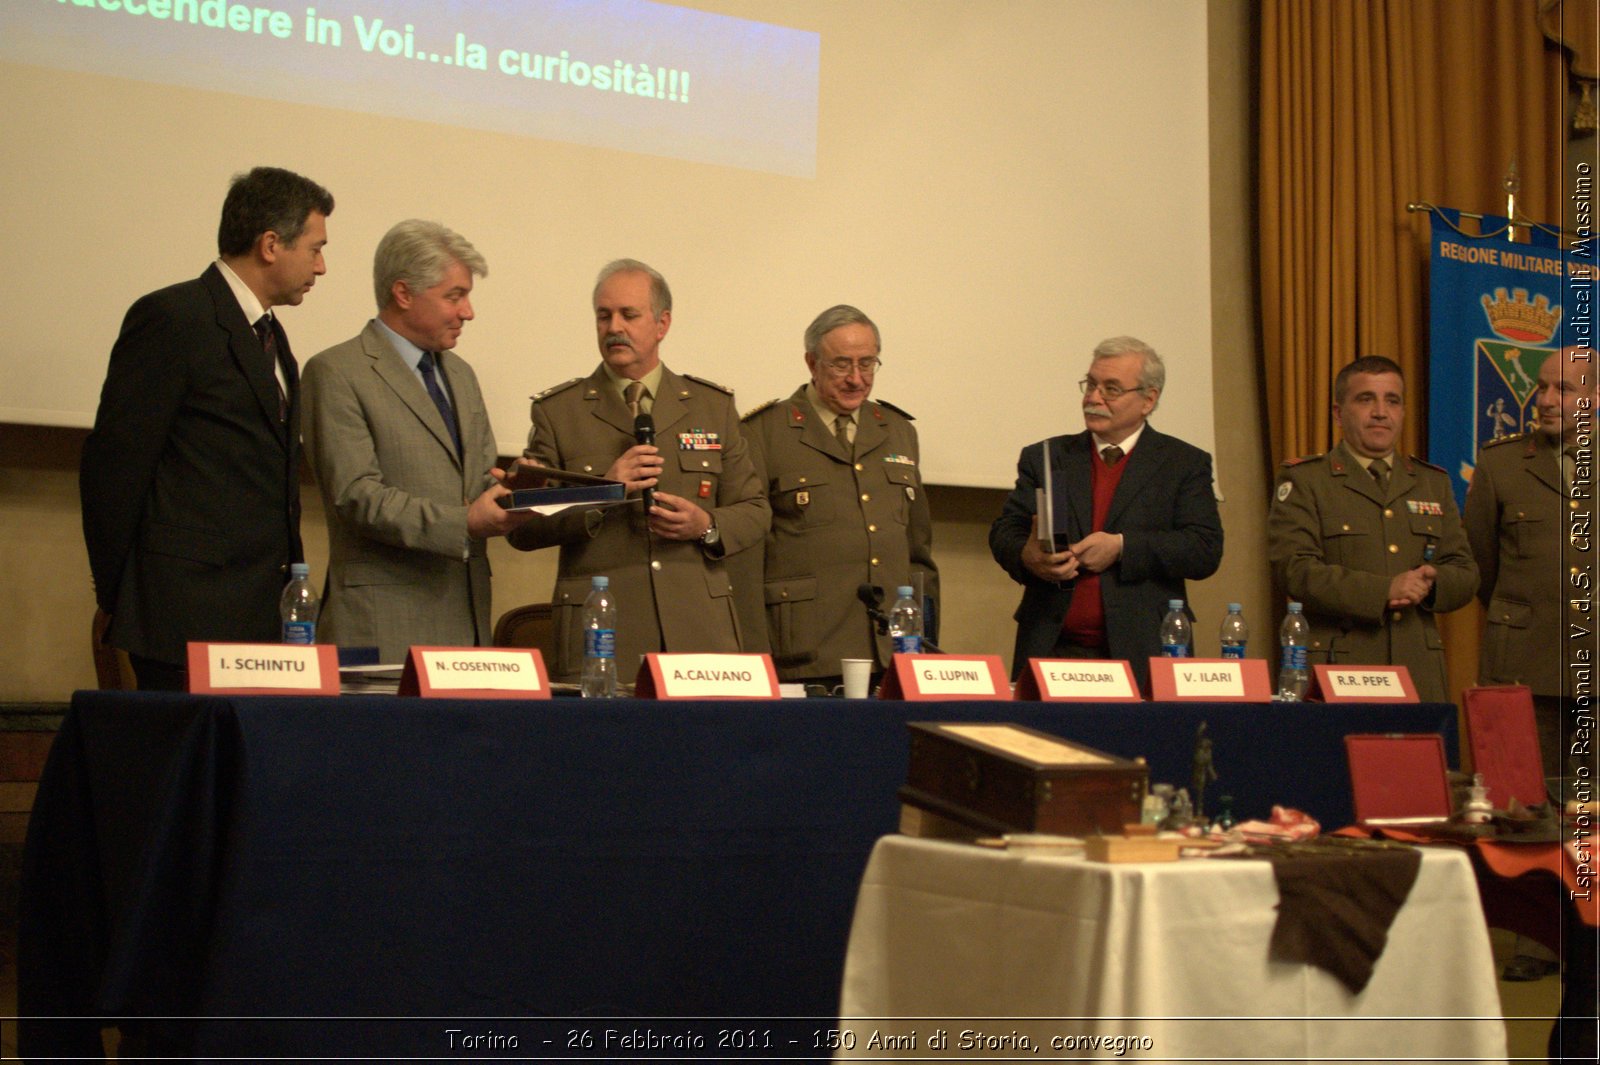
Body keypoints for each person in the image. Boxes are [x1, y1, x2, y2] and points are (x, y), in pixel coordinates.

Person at [80, 166, 334, 691]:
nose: (322, 266)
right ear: (270, 244)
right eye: (314, 248)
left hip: (261, 622)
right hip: (183, 618)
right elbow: (114, 467)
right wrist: (121, 597)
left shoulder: (272, 337)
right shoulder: (174, 317)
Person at [507, 259, 769, 682]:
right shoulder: (559, 412)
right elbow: (523, 528)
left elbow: (756, 510)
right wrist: (605, 490)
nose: (614, 327)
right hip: (604, 633)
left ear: (662, 323)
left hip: (699, 632)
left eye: (628, 315)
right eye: (603, 315)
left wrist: (705, 524)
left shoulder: (710, 406)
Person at [300, 220, 529, 662]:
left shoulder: (461, 375)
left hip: (467, 627)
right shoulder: (336, 372)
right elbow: (356, 496)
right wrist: (464, 522)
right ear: (403, 293)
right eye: (455, 295)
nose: (468, 312)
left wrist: (514, 493)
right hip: (381, 629)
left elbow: (476, 486)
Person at [1464, 346, 1596, 988]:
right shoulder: (1500, 466)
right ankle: (1541, 938)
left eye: (1563, 391)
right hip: (1525, 661)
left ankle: (1592, 923)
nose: (1544, 400)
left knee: (1592, 807)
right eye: (1542, 389)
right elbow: (1480, 568)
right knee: (1530, 804)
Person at [989, 336, 1223, 692]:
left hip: (1142, 652)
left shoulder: (1183, 463)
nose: (1093, 398)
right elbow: (1006, 531)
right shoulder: (1047, 456)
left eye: (1111, 389)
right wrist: (1028, 555)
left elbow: (1203, 548)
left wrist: (1122, 547)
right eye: (1091, 384)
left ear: (1148, 399)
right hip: (1053, 648)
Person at [733, 305, 938, 688]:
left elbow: (918, 554)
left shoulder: (897, 431)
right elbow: (745, 557)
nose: (856, 379)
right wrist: (751, 658)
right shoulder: (765, 432)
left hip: (893, 652)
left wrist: (924, 643)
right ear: (812, 363)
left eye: (868, 363)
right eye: (841, 365)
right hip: (804, 652)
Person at [1268, 355, 1478, 703]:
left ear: (1402, 412)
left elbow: (1466, 573)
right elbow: (1294, 570)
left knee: (1422, 758)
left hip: (1418, 667)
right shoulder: (1307, 479)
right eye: (1366, 399)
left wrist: (1433, 581)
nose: (1381, 412)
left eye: (1392, 401)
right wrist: (1383, 590)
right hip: (1342, 664)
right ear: (1338, 413)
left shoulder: (1431, 482)